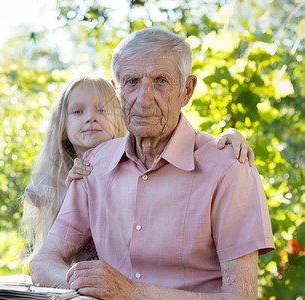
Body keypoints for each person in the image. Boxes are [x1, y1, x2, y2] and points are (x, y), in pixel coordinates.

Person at [29, 27, 274, 299]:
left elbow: (241, 296)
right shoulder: (94, 165)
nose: (144, 100)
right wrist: (89, 286)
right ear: (116, 91)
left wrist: (131, 292)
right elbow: (42, 262)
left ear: (187, 90)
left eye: (160, 81)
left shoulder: (229, 168)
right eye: (132, 81)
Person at [22, 74, 255, 263]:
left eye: (102, 110)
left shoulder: (140, 166)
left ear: (122, 116)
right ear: (62, 126)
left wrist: (229, 136)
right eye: (77, 111)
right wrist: (73, 192)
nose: (91, 118)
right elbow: (52, 255)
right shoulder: (46, 186)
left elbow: (191, 143)